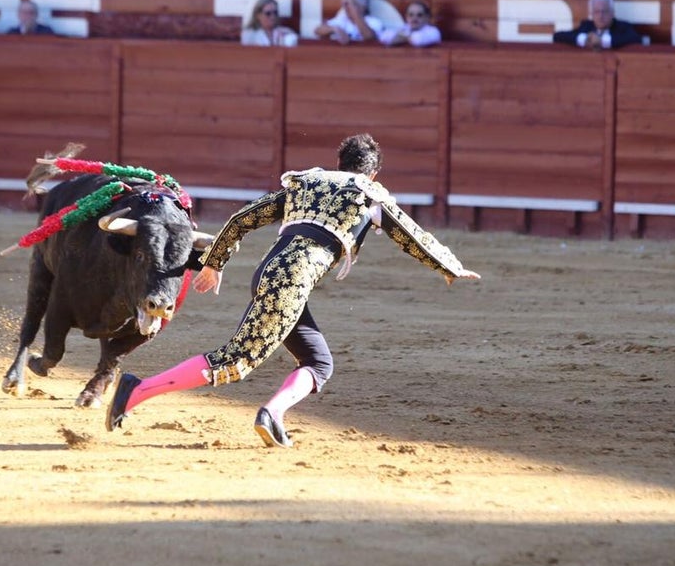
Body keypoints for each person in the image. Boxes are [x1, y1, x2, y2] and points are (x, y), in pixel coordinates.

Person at [104, 133, 480, 446]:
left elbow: (241, 219)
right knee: (236, 360)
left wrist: (216, 263)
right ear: (374, 172)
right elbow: (410, 234)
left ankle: (274, 414)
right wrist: (450, 266)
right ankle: (137, 391)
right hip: (292, 280)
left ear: (339, 163)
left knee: (319, 362)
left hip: (269, 271)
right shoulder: (371, 194)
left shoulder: (307, 183)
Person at [553, 0, 644, 49]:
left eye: (604, 11)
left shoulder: (623, 27)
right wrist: (584, 39)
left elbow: (636, 38)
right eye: (596, 12)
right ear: (591, 14)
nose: (600, 16)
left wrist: (602, 41)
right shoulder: (586, 26)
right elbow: (557, 36)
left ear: (612, 13)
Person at [314, 0, 383, 43]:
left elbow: (369, 38)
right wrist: (335, 29)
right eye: (346, 4)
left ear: (362, 7)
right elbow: (317, 30)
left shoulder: (373, 22)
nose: (346, 7)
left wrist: (356, 14)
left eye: (350, 4)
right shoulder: (342, 19)